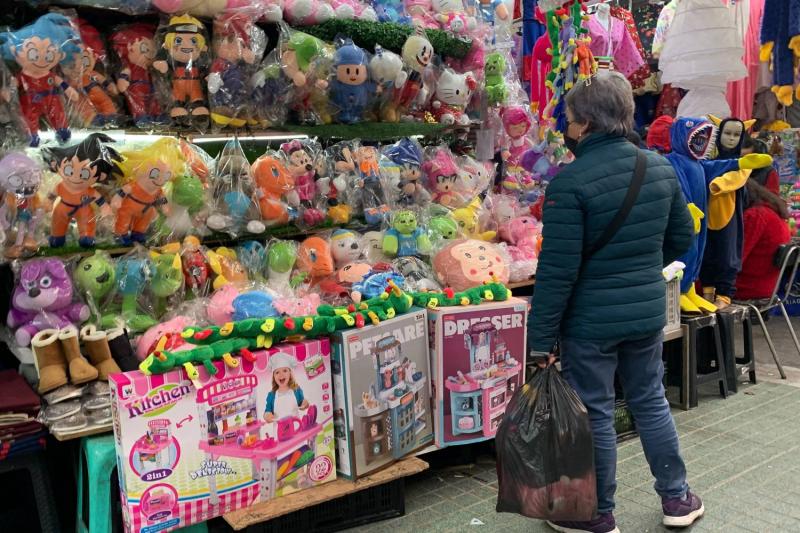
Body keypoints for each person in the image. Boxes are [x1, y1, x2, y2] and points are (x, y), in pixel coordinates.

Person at [527, 71, 700, 533]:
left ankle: (596, 514)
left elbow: (556, 274)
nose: (565, 127)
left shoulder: (569, 184)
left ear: (584, 123)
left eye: (568, 119)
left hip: (589, 324)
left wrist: (539, 342)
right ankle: (678, 499)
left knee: (597, 412)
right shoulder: (659, 167)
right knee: (650, 400)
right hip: (646, 313)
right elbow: (682, 237)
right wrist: (641, 270)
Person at [734, 179, 791, 300]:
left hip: (747, 287)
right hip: (766, 284)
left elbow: (735, 258)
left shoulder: (755, 216)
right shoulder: (771, 211)